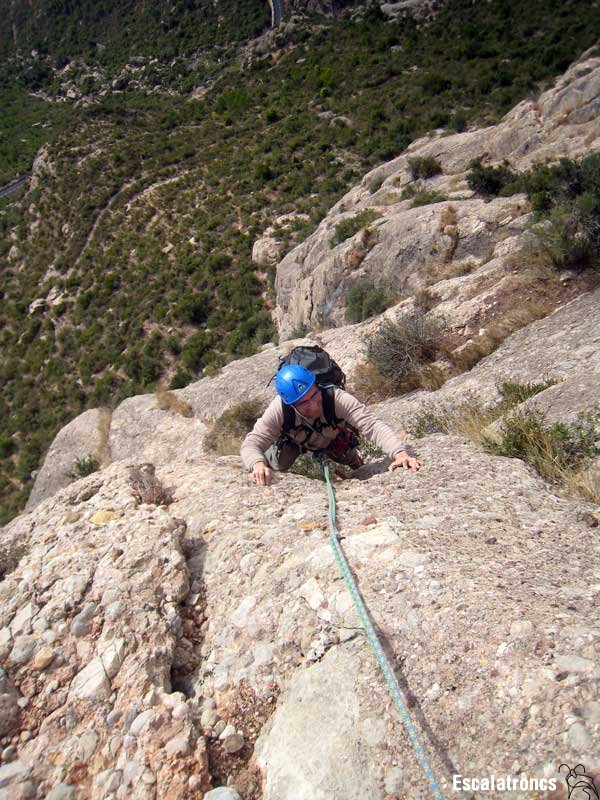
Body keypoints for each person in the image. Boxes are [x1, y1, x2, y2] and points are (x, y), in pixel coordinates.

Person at [241, 364, 421, 486]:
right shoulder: (279, 409)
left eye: (313, 395)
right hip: (295, 440)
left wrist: (400, 453)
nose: (313, 405)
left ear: (317, 386)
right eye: (303, 403)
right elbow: (252, 443)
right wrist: (257, 464)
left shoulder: (336, 398)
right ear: (291, 404)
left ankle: (355, 463)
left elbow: (372, 425)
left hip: (331, 436)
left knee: (346, 454)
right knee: (277, 466)